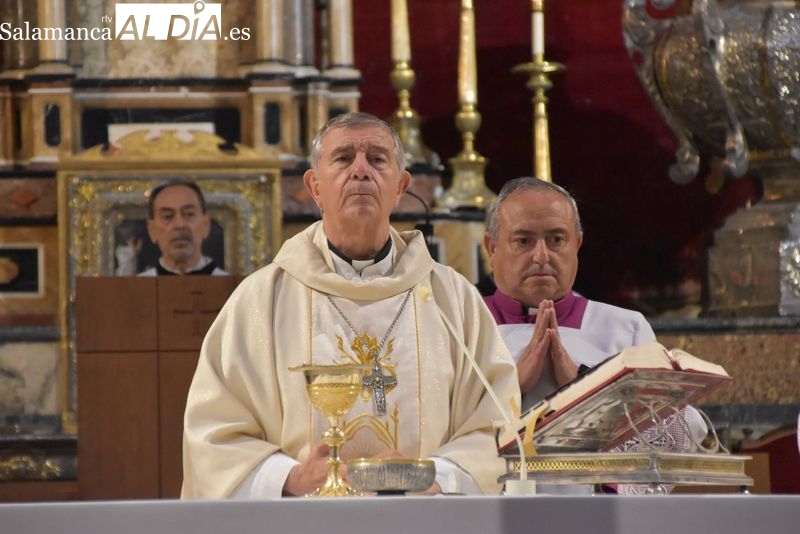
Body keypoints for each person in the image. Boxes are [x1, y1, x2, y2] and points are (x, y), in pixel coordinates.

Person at [181, 112, 520, 499]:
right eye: (343, 158)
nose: (361, 170)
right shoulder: (261, 301)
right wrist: (289, 478)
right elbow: (212, 434)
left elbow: (495, 423)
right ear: (315, 187)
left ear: (401, 186)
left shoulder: (451, 299)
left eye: (377, 159)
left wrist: (431, 476)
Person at [483, 177, 707, 494]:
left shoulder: (624, 328)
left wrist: (584, 385)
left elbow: (678, 432)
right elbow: (436, 427)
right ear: (491, 248)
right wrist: (511, 387)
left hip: (598, 517)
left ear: (578, 244)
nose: (542, 256)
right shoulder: (461, 323)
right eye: (523, 241)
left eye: (557, 239)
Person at [138, 180, 228, 276]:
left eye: (189, 214)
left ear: (206, 225)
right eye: (168, 216)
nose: (180, 225)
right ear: (152, 230)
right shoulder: (134, 289)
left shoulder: (237, 289)